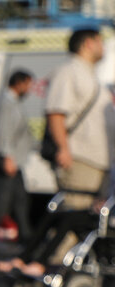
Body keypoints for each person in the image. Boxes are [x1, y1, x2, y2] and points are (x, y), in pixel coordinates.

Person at [46, 28, 110, 210]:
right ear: (88, 44)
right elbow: (56, 112)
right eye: (100, 42)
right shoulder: (68, 71)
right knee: (73, 216)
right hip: (79, 159)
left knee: (87, 222)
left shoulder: (89, 74)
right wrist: (63, 149)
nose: (103, 47)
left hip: (96, 161)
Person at [0, 70, 35, 241]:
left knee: (20, 197)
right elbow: (3, 132)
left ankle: (25, 233)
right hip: (7, 158)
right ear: (19, 83)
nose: (30, 89)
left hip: (14, 159)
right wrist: (7, 157)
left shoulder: (14, 102)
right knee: (2, 198)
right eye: (28, 85)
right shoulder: (6, 103)